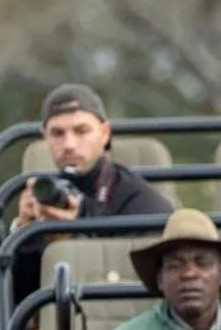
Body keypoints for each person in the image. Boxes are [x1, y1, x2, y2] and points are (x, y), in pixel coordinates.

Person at [9, 83, 177, 303]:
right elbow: (13, 302)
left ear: (105, 133)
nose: (69, 144)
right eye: (57, 133)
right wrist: (25, 233)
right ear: (45, 137)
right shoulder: (42, 198)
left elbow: (153, 288)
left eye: (82, 131)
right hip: (56, 315)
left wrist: (80, 228)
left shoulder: (140, 200)